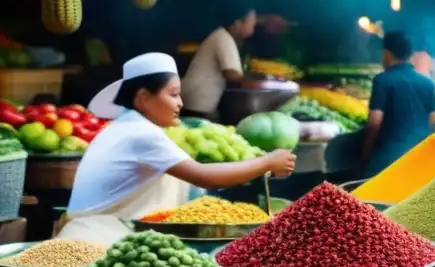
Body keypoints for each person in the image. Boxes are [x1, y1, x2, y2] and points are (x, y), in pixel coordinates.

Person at [64, 53, 295, 230]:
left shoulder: (129, 125)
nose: (180, 104)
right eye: (173, 94)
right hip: (101, 234)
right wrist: (267, 162)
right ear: (144, 97)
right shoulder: (140, 133)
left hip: (112, 227)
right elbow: (204, 177)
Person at [362, 31, 435, 176]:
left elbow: (375, 120)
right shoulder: (427, 83)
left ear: (387, 53)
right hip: (418, 157)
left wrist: (367, 147)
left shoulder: (382, 80)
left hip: (388, 158)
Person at [180, 8, 257, 119]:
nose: (252, 30)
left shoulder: (222, 36)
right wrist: (253, 84)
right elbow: (231, 73)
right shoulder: (223, 38)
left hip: (196, 101)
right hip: (197, 104)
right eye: (251, 25)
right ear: (237, 24)